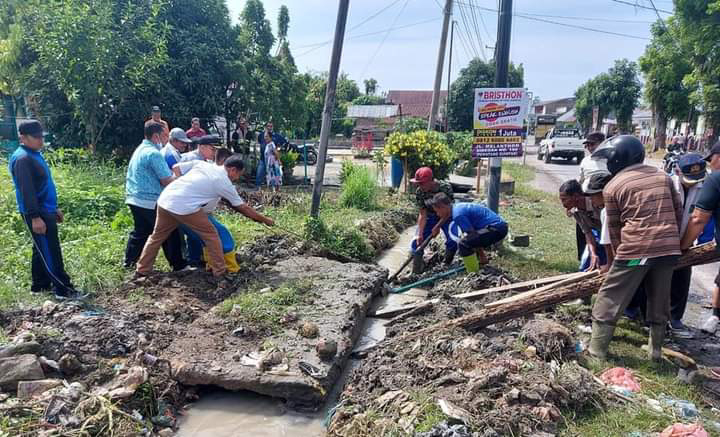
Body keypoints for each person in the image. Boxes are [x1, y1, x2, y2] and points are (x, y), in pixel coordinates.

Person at [588, 135, 683, 362]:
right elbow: (678, 211)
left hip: (635, 252)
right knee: (659, 299)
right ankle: (655, 353)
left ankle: (596, 352)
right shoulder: (664, 177)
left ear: (619, 158)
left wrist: (622, 258)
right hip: (668, 251)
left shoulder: (613, 186)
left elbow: (614, 226)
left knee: (610, 297)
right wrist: (671, 240)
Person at [136, 155, 274, 277]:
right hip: (184, 207)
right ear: (232, 170)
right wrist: (265, 220)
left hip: (165, 200)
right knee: (212, 235)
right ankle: (220, 272)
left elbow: (176, 168)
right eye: (238, 175)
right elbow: (242, 207)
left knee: (156, 237)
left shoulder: (203, 164)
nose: (237, 178)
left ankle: (142, 269)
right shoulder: (223, 181)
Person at [8, 120, 77, 298]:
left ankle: (40, 286)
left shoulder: (33, 153)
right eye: (36, 138)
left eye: (41, 137)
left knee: (41, 248)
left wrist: (54, 209)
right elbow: (27, 191)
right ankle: (63, 289)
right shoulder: (23, 159)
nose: (41, 141)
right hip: (37, 212)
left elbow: (43, 186)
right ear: (22, 138)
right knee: (50, 250)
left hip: (46, 209)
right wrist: (35, 217)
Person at [124, 121, 186, 271]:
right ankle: (178, 265)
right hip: (149, 200)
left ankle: (130, 262)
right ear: (156, 136)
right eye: (165, 135)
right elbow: (166, 180)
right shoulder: (153, 153)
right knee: (169, 230)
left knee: (141, 231)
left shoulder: (141, 149)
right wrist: (180, 177)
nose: (167, 138)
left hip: (135, 198)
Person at [172, 148, 239, 271]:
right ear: (224, 162)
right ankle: (227, 268)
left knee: (200, 238)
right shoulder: (203, 166)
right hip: (189, 210)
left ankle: (202, 263)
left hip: (191, 210)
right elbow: (176, 168)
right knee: (221, 236)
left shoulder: (214, 173)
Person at [681, 142, 720, 333]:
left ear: (718, 157)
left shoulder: (715, 179)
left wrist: (683, 247)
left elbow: (698, 219)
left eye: (710, 159)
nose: (711, 164)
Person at [428, 193, 507, 272]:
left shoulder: (457, 215)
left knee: (463, 244)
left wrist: (481, 255)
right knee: (469, 241)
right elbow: (475, 238)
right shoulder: (458, 207)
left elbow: (472, 235)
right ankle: (480, 262)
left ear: (443, 207)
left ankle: (473, 272)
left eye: (437, 211)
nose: (437, 214)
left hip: (495, 228)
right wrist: (483, 256)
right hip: (498, 227)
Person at [410, 167, 457, 274]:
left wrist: (437, 226)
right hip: (430, 216)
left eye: (422, 183)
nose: (420, 186)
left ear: (431, 181)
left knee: (453, 240)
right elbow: (423, 213)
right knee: (416, 243)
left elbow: (449, 211)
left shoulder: (445, 188)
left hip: (446, 216)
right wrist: (420, 234)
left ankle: (445, 265)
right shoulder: (420, 192)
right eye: (418, 184)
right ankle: (416, 271)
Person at [559, 180, 605, 271]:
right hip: (598, 235)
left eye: (564, 199)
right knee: (585, 267)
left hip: (611, 236)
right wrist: (593, 254)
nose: (563, 204)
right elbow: (588, 233)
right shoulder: (575, 211)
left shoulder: (597, 203)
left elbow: (611, 231)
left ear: (576, 196)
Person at [256, 122, 287, 187]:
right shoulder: (261, 135)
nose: (269, 127)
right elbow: (259, 142)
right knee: (259, 175)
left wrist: (278, 150)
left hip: (272, 161)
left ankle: (275, 190)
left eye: (271, 126)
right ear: (265, 127)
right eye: (268, 126)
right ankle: (258, 189)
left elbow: (284, 144)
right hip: (263, 159)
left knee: (274, 176)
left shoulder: (276, 136)